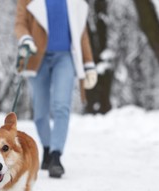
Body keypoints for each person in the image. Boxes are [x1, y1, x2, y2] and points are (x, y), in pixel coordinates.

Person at [15, 0, 98, 178]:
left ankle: (55, 155)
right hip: (37, 57)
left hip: (65, 58)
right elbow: (20, 24)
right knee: (40, 112)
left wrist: (89, 64)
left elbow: (80, 32)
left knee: (61, 106)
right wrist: (26, 39)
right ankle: (46, 146)